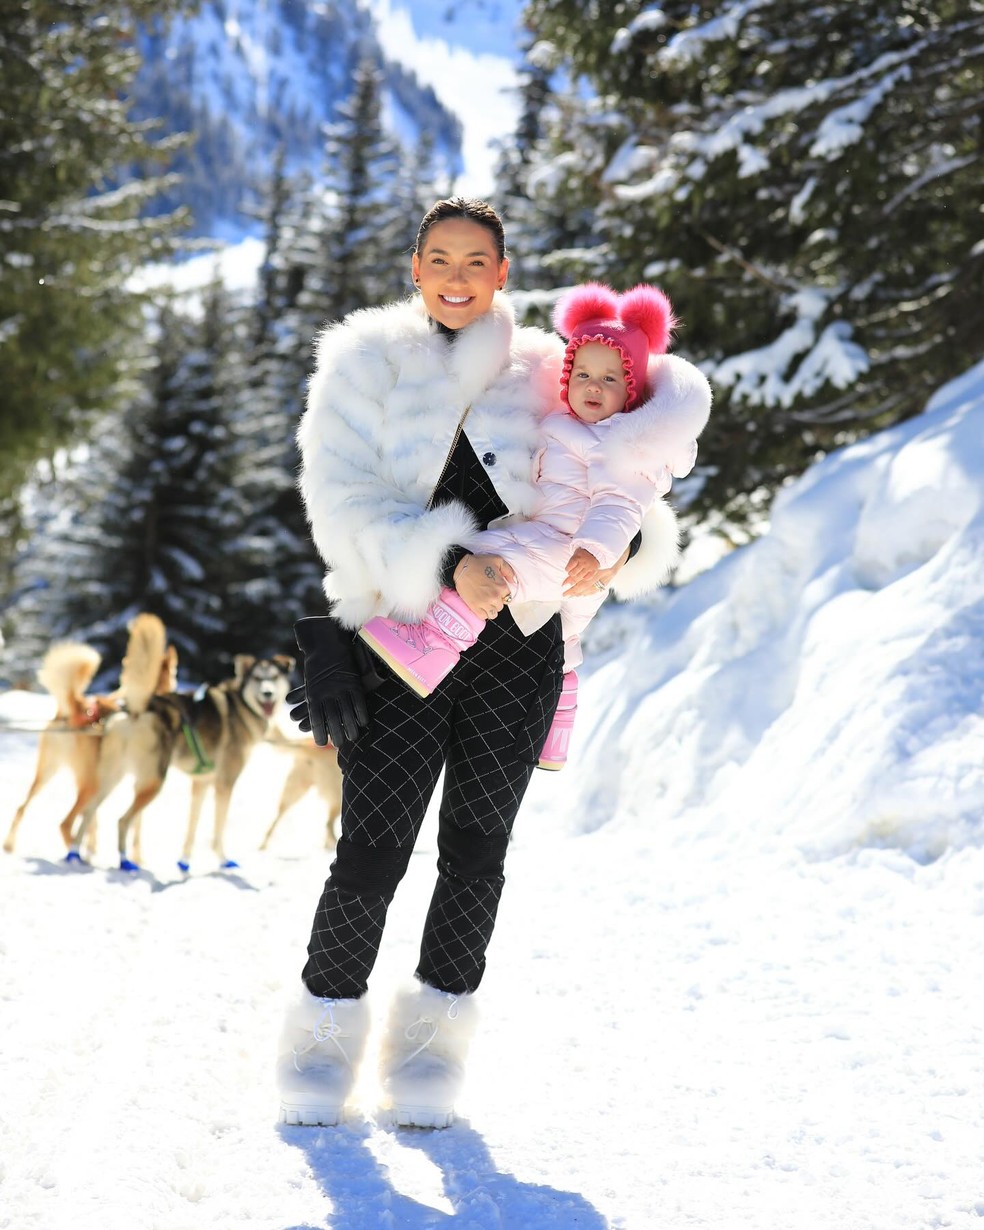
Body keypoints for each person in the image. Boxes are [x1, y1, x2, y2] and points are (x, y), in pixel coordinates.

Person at [276, 198, 712, 1130]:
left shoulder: (544, 369)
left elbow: (622, 468)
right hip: (408, 629)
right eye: (441, 258)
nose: (460, 275)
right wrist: (445, 563)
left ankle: (433, 1048)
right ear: (415, 268)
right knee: (374, 847)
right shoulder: (363, 366)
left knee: (477, 853)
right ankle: (321, 1035)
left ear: (504, 274)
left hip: (523, 638)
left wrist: (623, 550)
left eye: (479, 260)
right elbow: (338, 503)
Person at [357, 280, 709, 769]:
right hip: (567, 557)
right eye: (583, 373)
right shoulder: (572, 426)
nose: (593, 386)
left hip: (570, 550)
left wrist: (596, 551)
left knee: (493, 557)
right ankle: (557, 723)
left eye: (610, 380)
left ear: (631, 392)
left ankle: (434, 641)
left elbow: (620, 507)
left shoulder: (624, 445)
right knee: (565, 641)